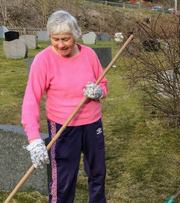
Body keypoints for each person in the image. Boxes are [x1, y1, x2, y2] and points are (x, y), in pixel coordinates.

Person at [22, 10, 107, 203]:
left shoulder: (90, 55)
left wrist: (98, 92)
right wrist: (34, 139)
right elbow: (30, 100)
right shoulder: (43, 60)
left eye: (66, 39)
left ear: (75, 36)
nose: (61, 44)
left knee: (98, 174)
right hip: (62, 127)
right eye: (55, 39)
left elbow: (104, 84)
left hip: (93, 124)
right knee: (63, 180)